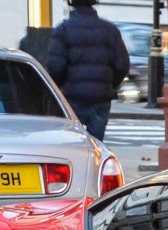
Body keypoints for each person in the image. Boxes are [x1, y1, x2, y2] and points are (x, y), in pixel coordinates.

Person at [45, 0, 130, 140]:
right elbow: (122, 65)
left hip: (72, 96)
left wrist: (61, 85)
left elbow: (55, 66)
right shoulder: (110, 30)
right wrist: (109, 84)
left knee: (72, 141)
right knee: (96, 144)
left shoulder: (63, 30)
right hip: (101, 96)